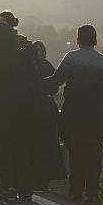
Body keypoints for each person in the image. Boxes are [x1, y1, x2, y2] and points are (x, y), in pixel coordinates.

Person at [43, 25, 103, 204]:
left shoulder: (71, 58)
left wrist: (34, 82)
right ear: (95, 40)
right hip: (96, 114)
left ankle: (76, 191)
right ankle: (92, 193)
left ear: (78, 39)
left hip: (74, 113)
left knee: (76, 152)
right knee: (94, 153)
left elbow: (56, 80)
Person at [0, 22, 42, 205]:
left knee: (2, 150)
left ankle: (5, 188)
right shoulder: (24, 56)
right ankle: (25, 189)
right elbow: (35, 83)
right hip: (24, 109)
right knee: (22, 148)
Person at [31, 41, 66, 191]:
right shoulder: (28, 66)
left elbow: (55, 85)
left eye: (41, 50)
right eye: (36, 50)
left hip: (46, 108)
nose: (39, 53)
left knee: (47, 145)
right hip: (32, 108)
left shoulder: (46, 66)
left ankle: (45, 179)